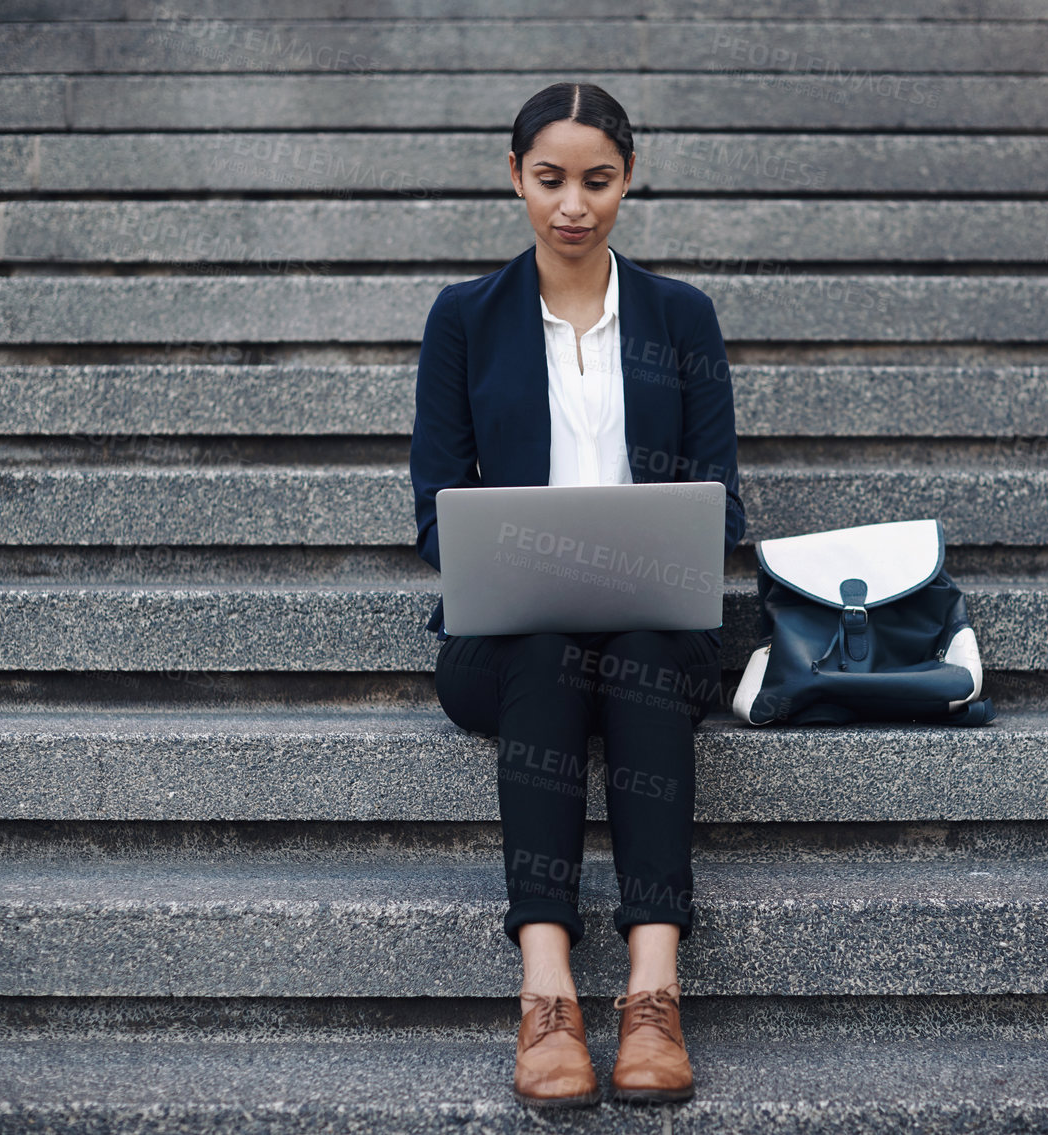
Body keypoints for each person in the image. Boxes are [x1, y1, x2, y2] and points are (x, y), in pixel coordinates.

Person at [408, 81, 745, 1107]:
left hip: (651, 624)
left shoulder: (680, 316)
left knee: (643, 650)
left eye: (597, 181)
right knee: (551, 647)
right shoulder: (465, 318)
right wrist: (518, 553)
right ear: (514, 177)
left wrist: (652, 552)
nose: (573, 205)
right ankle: (546, 992)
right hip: (512, 639)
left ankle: (652, 994)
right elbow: (435, 505)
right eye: (550, 179)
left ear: (628, 179)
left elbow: (721, 499)